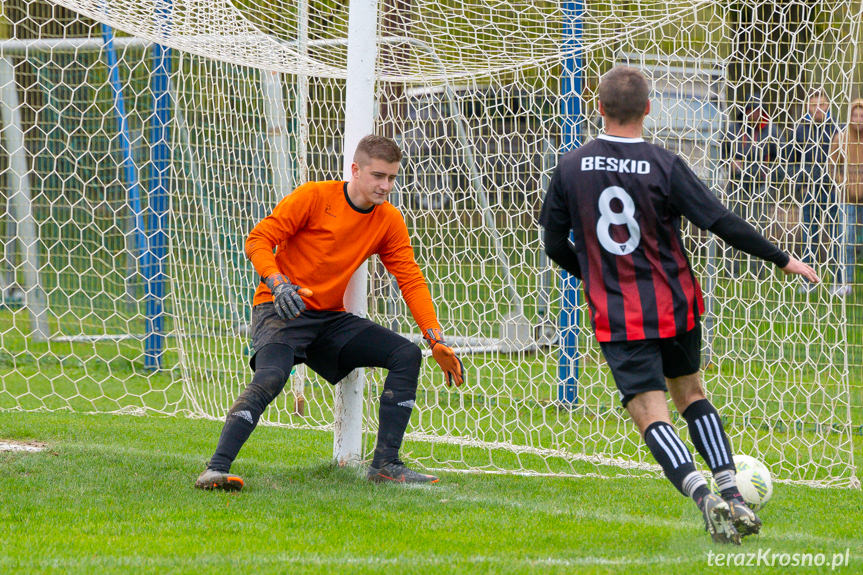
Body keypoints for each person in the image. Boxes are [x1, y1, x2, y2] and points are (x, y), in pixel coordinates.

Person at [539, 66, 819, 544]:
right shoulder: (665, 164)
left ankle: (701, 496)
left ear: (599, 107)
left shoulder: (570, 166)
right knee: (691, 394)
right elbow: (720, 221)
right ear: (648, 109)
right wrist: (781, 257)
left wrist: (593, 275)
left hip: (619, 313)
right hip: (675, 304)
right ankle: (731, 492)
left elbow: (552, 242)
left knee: (652, 412)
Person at [195, 134, 465, 491]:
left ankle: (385, 465)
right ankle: (215, 469)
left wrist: (435, 339)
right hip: (280, 309)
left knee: (406, 353)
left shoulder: (388, 220)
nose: (385, 186)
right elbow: (258, 239)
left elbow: (411, 280)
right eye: (378, 176)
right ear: (355, 170)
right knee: (271, 377)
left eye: (392, 178)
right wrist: (278, 284)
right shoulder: (314, 196)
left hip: (328, 320)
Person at [723, 92, 784, 277]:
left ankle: (759, 272)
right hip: (736, 186)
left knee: (760, 230)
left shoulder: (772, 131)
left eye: (758, 110)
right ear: (745, 111)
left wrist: (769, 171)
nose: (754, 114)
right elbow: (721, 154)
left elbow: (782, 159)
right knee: (730, 228)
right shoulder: (733, 129)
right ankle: (730, 270)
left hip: (760, 188)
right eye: (751, 110)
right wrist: (730, 164)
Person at [789, 88, 839, 293]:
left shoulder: (838, 128)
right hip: (810, 190)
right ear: (807, 107)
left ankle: (839, 281)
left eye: (822, 104)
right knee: (810, 234)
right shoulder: (801, 130)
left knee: (837, 234)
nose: (818, 109)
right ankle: (808, 280)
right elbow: (792, 159)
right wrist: (801, 183)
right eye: (813, 105)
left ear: (827, 106)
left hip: (834, 190)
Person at [828, 98, 863, 296]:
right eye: (855, 116)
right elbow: (831, 165)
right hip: (846, 197)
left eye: (862, 116)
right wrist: (844, 183)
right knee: (845, 239)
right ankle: (843, 281)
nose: (859, 120)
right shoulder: (840, 137)